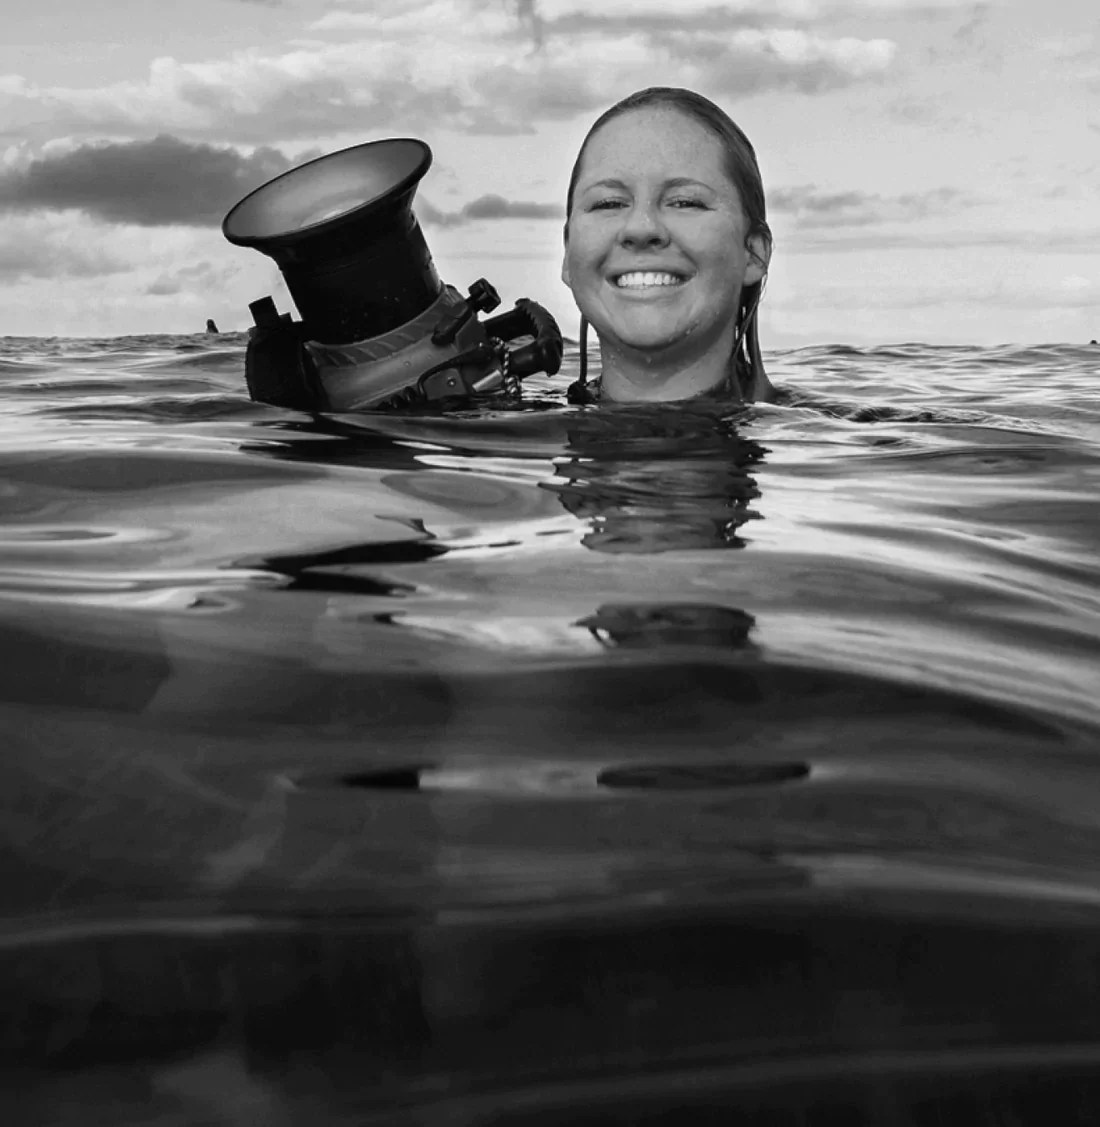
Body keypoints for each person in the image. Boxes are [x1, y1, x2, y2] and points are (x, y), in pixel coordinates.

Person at [561, 87, 776, 404]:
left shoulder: (832, 430)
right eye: (608, 203)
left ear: (754, 253)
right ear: (567, 254)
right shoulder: (501, 420)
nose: (641, 228)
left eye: (685, 202)